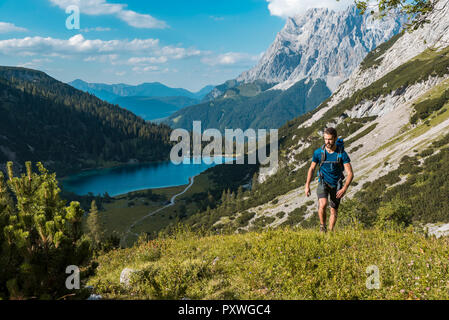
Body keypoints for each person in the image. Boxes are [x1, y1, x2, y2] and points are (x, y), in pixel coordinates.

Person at [304, 127, 354, 232]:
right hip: (323, 182)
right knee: (322, 204)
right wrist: (307, 185)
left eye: (330, 139)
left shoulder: (341, 154)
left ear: (335, 138)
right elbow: (312, 168)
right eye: (325, 139)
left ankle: (330, 232)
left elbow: (350, 173)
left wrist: (344, 188)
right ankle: (323, 227)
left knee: (333, 210)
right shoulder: (318, 153)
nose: (327, 142)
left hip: (337, 185)